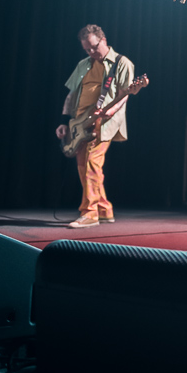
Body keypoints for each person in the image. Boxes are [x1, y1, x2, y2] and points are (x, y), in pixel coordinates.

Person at [55, 24, 135, 229]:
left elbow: (125, 95)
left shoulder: (122, 63)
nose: (91, 52)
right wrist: (65, 121)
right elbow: (71, 94)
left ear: (104, 40)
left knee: (91, 162)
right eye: (87, 49)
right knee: (84, 166)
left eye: (93, 47)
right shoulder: (83, 64)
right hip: (80, 123)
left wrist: (112, 110)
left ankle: (89, 212)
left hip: (105, 121)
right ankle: (104, 209)